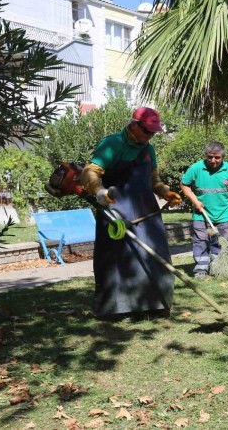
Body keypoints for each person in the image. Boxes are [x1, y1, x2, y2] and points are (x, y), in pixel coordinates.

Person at [80, 107, 182, 318]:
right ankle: (115, 310)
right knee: (116, 262)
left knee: (154, 258)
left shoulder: (148, 150)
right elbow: (90, 171)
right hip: (117, 215)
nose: (150, 137)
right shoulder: (112, 144)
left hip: (147, 214)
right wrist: (99, 191)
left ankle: (156, 305)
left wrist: (166, 193)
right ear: (134, 125)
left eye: (153, 133)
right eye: (147, 132)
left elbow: (154, 180)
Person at [180, 142, 228, 279]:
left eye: (217, 158)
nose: (213, 161)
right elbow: (184, 184)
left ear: (223, 156)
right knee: (201, 240)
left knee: (221, 241)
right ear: (206, 156)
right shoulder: (196, 168)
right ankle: (201, 269)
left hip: (223, 214)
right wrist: (195, 201)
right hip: (201, 214)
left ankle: (217, 267)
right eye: (210, 157)